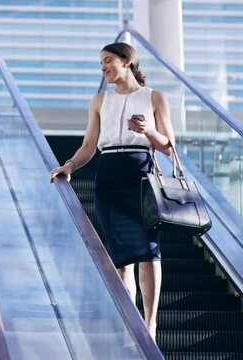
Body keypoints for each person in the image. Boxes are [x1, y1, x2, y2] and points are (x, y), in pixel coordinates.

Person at [49, 43, 174, 341]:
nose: (103, 67)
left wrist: (147, 131)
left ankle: (150, 324)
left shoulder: (155, 97)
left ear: (127, 61)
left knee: (148, 251)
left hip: (140, 176)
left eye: (108, 61)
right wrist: (69, 165)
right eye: (100, 63)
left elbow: (169, 146)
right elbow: (89, 146)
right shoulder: (98, 101)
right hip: (108, 176)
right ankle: (129, 324)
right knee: (121, 258)